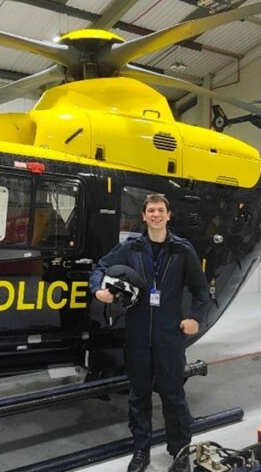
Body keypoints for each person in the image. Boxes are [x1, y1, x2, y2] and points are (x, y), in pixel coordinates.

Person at [90, 193, 211, 472]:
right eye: (151, 211)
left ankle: (180, 453)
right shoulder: (131, 247)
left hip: (170, 335)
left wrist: (195, 318)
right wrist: (99, 290)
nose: (156, 215)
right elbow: (101, 267)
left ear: (168, 215)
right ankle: (141, 450)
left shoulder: (182, 250)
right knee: (139, 395)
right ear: (143, 217)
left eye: (160, 210)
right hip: (138, 334)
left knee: (173, 396)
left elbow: (201, 291)